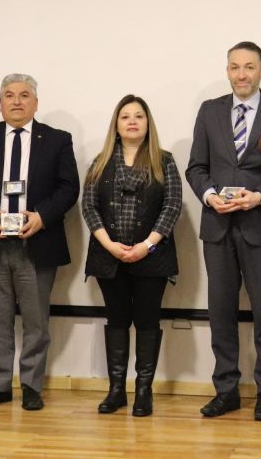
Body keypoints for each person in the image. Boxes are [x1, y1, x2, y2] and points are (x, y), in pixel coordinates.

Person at [0, 74, 80, 411]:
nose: (17, 101)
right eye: (9, 95)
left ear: (36, 103)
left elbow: (69, 187)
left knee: (36, 322)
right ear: (0, 104)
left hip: (36, 243)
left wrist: (42, 216)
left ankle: (32, 385)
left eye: (25, 95)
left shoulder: (57, 140)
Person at [185, 41, 261, 421]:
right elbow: (196, 167)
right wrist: (209, 196)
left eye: (249, 67)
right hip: (217, 227)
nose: (241, 74)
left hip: (260, 225)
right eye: (235, 67)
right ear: (227, 71)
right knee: (220, 313)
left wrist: (260, 196)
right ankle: (226, 390)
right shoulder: (210, 111)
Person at [82, 95, 182, 417]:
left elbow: (172, 207)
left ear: (148, 123)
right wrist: (110, 245)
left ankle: (143, 391)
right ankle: (116, 391)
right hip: (109, 256)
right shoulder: (99, 162)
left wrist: (146, 245)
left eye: (139, 116)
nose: (132, 121)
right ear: (116, 124)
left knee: (148, 320)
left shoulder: (164, 161)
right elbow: (89, 207)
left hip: (152, 257)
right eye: (125, 116)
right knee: (117, 319)